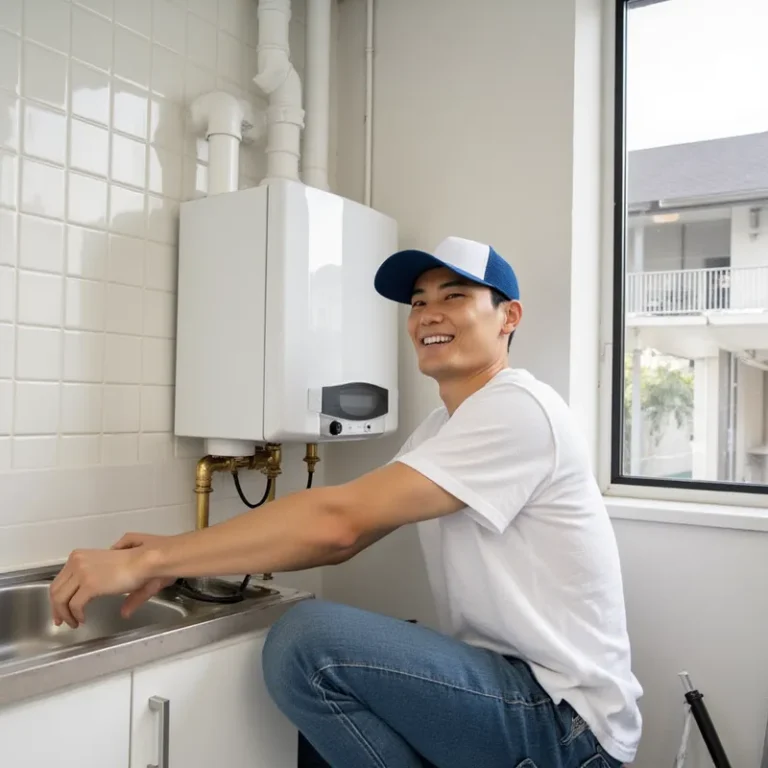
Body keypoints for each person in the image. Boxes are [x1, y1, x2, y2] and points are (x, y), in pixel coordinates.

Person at [49, 236, 642, 767]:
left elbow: (337, 522)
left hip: (563, 723)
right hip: (515, 694)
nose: (428, 315)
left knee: (310, 641)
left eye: (454, 296)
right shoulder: (443, 428)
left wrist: (151, 562)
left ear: (508, 316)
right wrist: (176, 554)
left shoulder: (518, 409)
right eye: (417, 302)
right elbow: (347, 536)